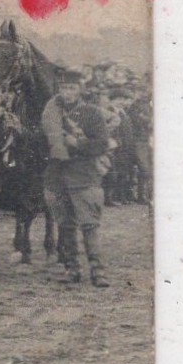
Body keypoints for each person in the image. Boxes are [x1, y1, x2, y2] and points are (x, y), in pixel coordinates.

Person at [41, 68, 111, 287]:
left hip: (83, 176)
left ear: (80, 89)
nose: (67, 92)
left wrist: (77, 144)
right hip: (57, 176)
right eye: (63, 88)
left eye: (71, 88)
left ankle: (97, 271)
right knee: (65, 225)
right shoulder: (50, 113)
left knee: (89, 225)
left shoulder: (92, 113)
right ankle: (73, 269)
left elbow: (102, 144)